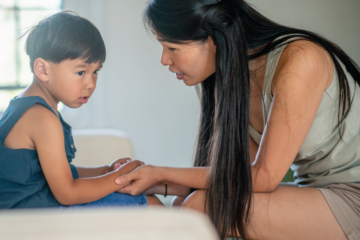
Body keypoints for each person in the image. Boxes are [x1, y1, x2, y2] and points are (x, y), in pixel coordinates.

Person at [114, 0, 360, 239]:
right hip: (318, 193)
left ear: (212, 38)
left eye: (172, 47)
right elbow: (240, 178)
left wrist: (160, 173)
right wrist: (156, 183)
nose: (164, 60)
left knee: (200, 207)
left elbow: (263, 177)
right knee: (183, 204)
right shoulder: (235, 77)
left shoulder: (301, 58)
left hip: (352, 197)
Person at [0, 11, 162, 209]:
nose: (90, 84)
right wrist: (118, 178)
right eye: (81, 72)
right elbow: (67, 193)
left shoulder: (25, 105)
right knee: (151, 204)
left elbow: (59, 174)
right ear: (42, 69)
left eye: (96, 72)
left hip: (35, 209)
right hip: (34, 217)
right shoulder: (41, 117)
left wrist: (105, 171)